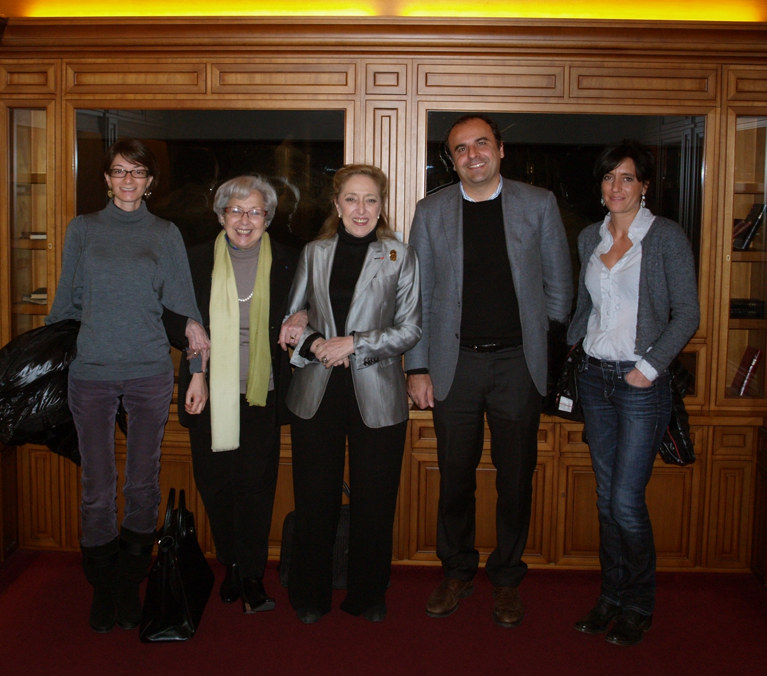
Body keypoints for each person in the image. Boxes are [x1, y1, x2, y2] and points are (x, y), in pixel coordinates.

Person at [404, 115, 573, 628]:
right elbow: (418, 297)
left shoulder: (538, 203)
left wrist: (538, 344)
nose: (472, 154)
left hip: (517, 365)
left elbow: (560, 288)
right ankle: (456, 571)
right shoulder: (431, 211)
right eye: (461, 148)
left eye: (481, 143)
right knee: (455, 477)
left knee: (516, 478)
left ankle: (507, 578)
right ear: (451, 159)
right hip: (453, 366)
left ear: (501, 149)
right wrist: (417, 366)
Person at [47, 138, 210, 633]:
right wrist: (48, 361)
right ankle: (104, 586)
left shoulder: (164, 233)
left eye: (137, 172)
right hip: (91, 374)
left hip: (148, 373)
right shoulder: (82, 229)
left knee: (142, 483)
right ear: (106, 178)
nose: (128, 180)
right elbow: (66, 302)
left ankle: (129, 581)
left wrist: (198, 370)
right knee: (97, 488)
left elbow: (186, 309)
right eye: (119, 171)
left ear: (150, 181)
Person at [567, 139, 699, 646]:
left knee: (625, 502)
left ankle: (639, 603)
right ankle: (611, 597)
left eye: (627, 177)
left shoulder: (665, 237)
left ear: (644, 185)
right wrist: (575, 346)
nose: (616, 187)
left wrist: (648, 367)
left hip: (640, 384)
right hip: (595, 378)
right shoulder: (590, 236)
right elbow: (587, 306)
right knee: (606, 500)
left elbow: (687, 313)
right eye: (608, 177)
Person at [278, 164, 421, 624]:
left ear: (381, 205)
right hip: (316, 390)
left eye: (371, 199)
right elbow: (292, 319)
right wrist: (316, 343)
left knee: (374, 502)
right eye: (352, 199)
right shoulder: (314, 252)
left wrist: (354, 343)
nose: (362, 209)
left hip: (377, 393)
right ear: (337, 205)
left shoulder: (400, 255)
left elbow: (411, 329)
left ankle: (368, 595)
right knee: (314, 499)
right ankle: (310, 595)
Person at [163, 175, 304, 614]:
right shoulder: (193, 259)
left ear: (269, 217)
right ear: (221, 215)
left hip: (263, 391)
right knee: (215, 484)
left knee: (255, 486)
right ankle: (232, 562)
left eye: (255, 211)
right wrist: (191, 348)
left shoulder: (291, 260)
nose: (245, 220)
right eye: (236, 211)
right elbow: (171, 315)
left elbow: (316, 302)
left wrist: (304, 313)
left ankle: (252, 575)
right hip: (207, 389)